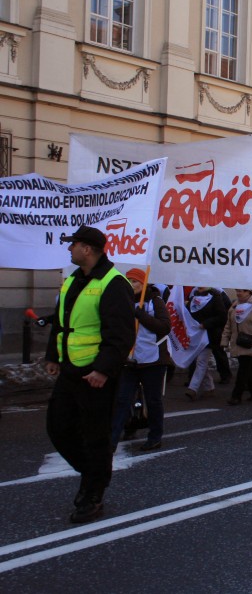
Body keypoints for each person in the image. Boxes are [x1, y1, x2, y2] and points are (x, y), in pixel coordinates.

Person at [45, 225, 135, 524]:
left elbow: (121, 335)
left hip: (96, 376)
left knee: (96, 436)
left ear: (88, 249)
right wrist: (53, 356)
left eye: (73, 245)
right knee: (58, 428)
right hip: (71, 370)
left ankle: (93, 494)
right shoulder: (72, 280)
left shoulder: (114, 283)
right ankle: (94, 472)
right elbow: (62, 321)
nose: (69, 250)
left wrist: (103, 370)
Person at [110, 268, 171, 452]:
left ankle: (155, 437)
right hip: (129, 360)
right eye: (128, 281)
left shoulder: (155, 301)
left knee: (153, 400)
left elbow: (164, 327)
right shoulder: (123, 301)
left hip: (152, 360)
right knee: (122, 399)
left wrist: (141, 315)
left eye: (134, 281)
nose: (131, 284)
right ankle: (112, 440)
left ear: (143, 283)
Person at [222, 289, 252, 405]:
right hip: (238, 342)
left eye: (242, 291)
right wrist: (224, 340)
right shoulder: (234, 306)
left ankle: (236, 396)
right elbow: (228, 325)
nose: (238, 293)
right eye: (237, 291)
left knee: (243, 370)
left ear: (249, 292)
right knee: (248, 369)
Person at [185, 286, 230, 400]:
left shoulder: (215, 297)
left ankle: (193, 389)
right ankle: (209, 388)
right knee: (200, 362)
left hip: (210, 335)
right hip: (196, 336)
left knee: (201, 361)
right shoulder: (193, 297)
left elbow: (222, 316)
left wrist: (206, 324)